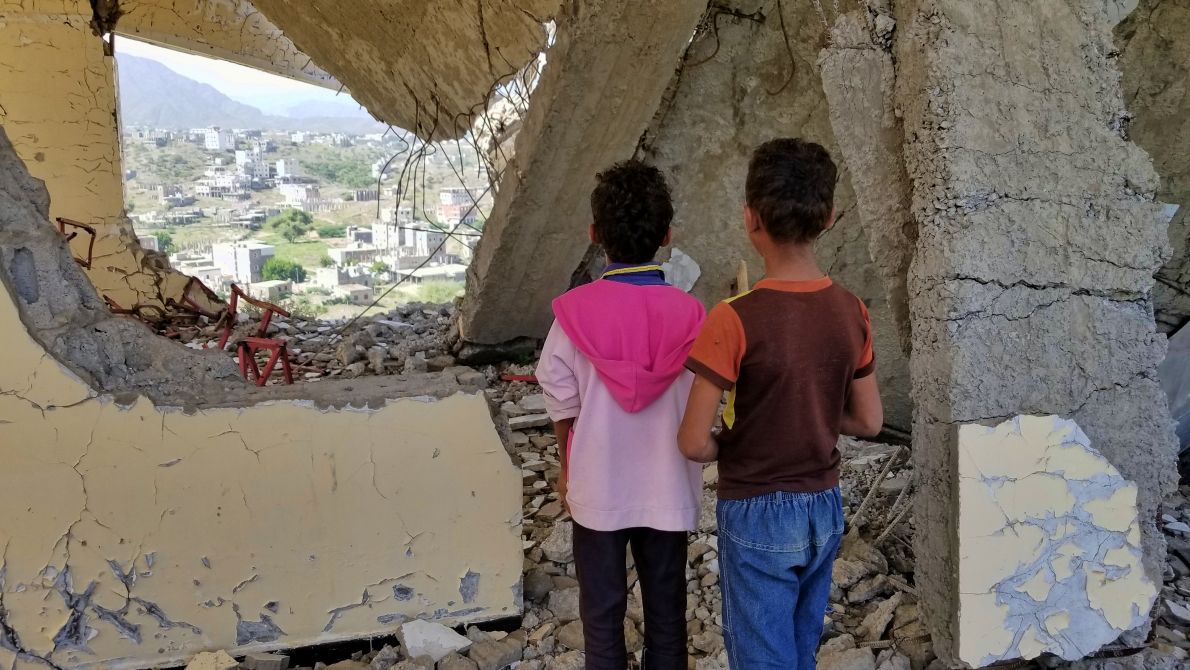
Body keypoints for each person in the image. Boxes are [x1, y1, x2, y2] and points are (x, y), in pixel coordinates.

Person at [678, 138, 884, 669]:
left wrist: (730, 439)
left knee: (762, 657)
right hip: (823, 504)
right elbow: (868, 419)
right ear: (830, 216)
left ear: (750, 218)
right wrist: (810, 408)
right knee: (799, 650)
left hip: (756, 509)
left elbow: (692, 440)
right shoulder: (851, 310)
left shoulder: (732, 317)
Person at [536, 159, 705, 670]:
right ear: (668, 235)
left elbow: (560, 398)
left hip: (598, 487)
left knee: (602, 621)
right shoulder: (694, 315)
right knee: (668, 617)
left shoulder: (572, 313)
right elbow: (704, 400)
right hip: (669, 486)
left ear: (594, 235)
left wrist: (569, 467)